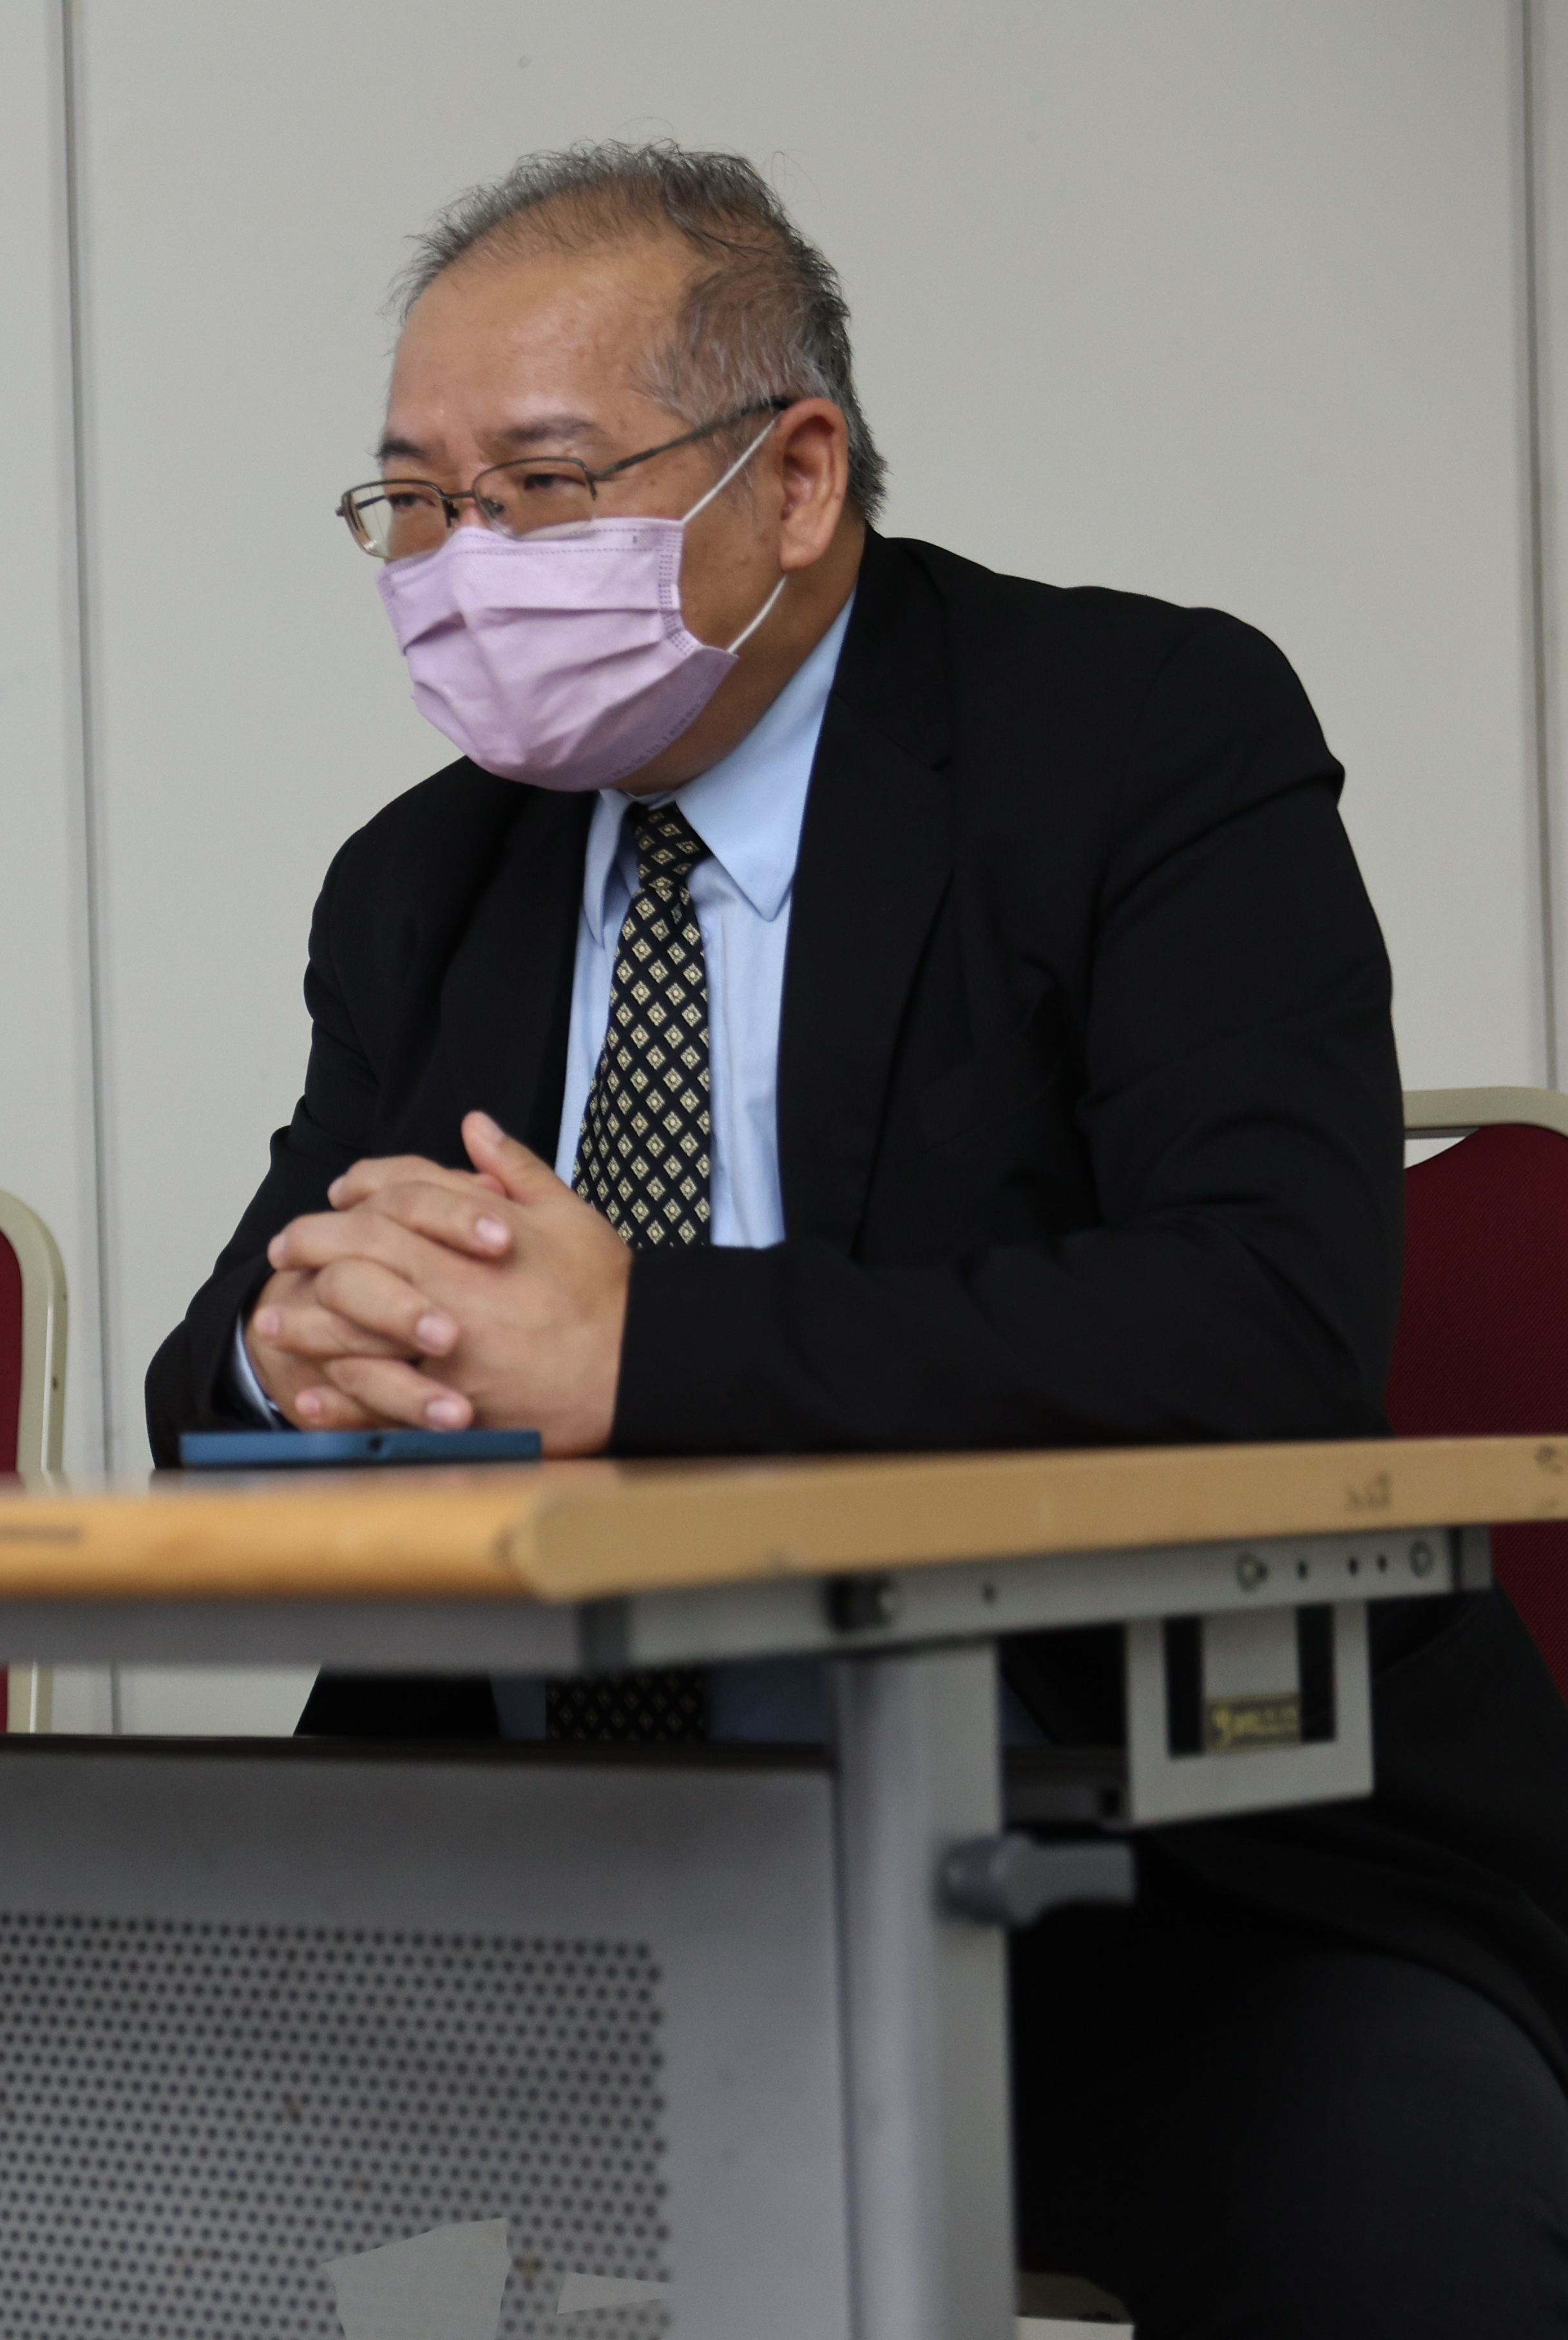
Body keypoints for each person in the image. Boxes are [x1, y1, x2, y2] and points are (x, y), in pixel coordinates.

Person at [147, 144, 1568, 2332]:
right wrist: (293, 1358)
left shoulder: (1138, 738)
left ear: (794, 477)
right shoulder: (424, 876)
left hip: (1124, 1865)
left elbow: (1261, 1325)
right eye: (412, 503)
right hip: (558, 1888)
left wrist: (640, 1354)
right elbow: (206, 1401)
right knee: (50, 2040)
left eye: (541, 486)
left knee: (1405, 2180)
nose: (461, 564)